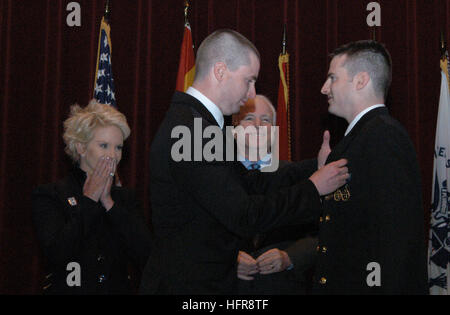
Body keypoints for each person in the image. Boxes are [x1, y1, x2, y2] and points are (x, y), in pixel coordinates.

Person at [140, 29, 349, 294]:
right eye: (248, 81)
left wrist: (314, 167)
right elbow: (245, 215)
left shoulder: (199, 124)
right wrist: (313, 188)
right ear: (220, 71)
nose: (251, 94)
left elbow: (251, 182)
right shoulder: (192, 130)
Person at [314, 40, 427, 294]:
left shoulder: (383, 137)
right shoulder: (358, 139)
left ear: (361, 80)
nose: (324, 88)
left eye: (332, 78)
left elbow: (395, 240)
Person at [32, 100, 152, 294]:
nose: (113, 155)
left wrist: (109, 204)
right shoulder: (51, 195)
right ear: (81, 147)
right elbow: (57, 253)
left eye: (118, 148)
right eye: (104, 145)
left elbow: (148, 258)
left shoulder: (126, 199)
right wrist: (89, 200)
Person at [233, 95, 318, 295]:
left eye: (265, 120)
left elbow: (319, 235)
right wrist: (227, 258)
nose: (257, 125)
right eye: (249, 118)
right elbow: (194, 235)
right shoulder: (216, 176)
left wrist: (290, 257)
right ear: (235, 127)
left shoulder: (297, 177)